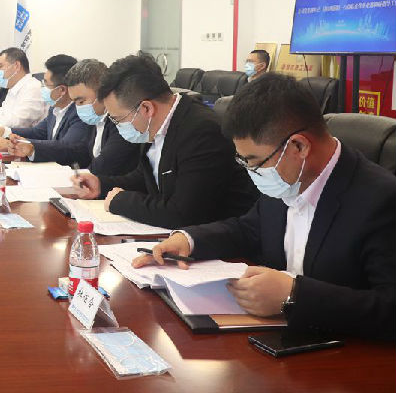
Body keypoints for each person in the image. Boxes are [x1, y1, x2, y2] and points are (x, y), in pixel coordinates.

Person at [134, 74, 395, 339]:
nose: (251, 171)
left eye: (255, 161)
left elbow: (389, 309)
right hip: (273, 337)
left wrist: (294, 295)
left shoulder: (381, 200)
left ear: (299, 146)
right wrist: (189, 241)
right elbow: (249, 229)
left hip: (344, 352)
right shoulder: (288, 176)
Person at [65, 53, 257, 229]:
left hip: (223, 241)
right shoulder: (155, 124)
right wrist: (101, 184)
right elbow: (147, 177)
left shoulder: (201, 131)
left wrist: (121, 201)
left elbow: (184, 214)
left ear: (146, 109)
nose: (116, 125)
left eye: (118, 119)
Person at [0, 54, 89, 162]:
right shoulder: (55, 108)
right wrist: (5, 132)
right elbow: (38, 132)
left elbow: (66, 147)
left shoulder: (79, 113)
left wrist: (29, 147)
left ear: (62, 90)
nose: (42, 88)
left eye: (46, 84)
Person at [64, 58, 140, 175]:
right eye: (75, 102)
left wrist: (81, 179)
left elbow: (104, 166)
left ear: (102, 91)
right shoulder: (97, 118)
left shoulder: (123, 121)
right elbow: (82, 152)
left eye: (81, 101)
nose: (78, 107)